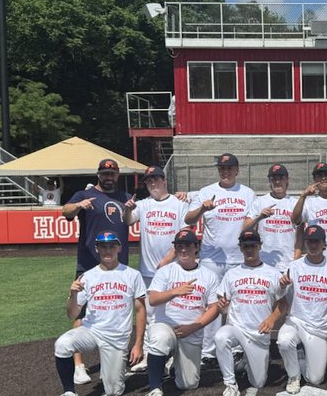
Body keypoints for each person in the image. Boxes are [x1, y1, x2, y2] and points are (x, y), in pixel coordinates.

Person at [53, 232, 147, 396]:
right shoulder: (87, 277)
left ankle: (109, 367)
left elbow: (140, 310)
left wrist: (138, 344)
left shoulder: (132, 275)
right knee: (62, 344)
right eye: (103, 247)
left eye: (112, 246)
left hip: (117, 337)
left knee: (114, 391)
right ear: (97, 249)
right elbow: (72, 313)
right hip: (92, 331)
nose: (107, 250)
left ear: (119, 248)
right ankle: (70, 393)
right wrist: (72, 294)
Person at [61, 158, 131, 383]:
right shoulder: (84, 194)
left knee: (117, 308)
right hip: (89, 262)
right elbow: (66, 211)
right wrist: (79, 206)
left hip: (119, 265)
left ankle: (116, 354)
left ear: (118, 175)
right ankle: (78, 364)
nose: (108, 177)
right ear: (98, 174)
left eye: (112, 174)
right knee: (81, 310)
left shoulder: (124, 197)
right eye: (104, 174)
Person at [183, 153, 256, 360]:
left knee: (237, 305)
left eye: (230, 168)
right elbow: (188, 218)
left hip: (238, 257)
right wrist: (202, 208)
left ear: (237, 170)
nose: (226, 171)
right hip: (211, 258)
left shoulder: (248, 193)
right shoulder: (206, 192)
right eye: (222, 168)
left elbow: (250, 223)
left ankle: (236, 349)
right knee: (212, 305)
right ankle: (208, 352)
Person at [144, 228, 222, 396]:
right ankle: (155, 390)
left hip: (191, 330)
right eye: (179, 246)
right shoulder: (166, 271)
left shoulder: (208, 275)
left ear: (196, 247)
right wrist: (174, 292)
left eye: (187, 245)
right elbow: (153, 299)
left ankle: (174, 364)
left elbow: (214, 308)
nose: (183, 250)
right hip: (166, 325)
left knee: (188, 384)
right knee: (160, 339)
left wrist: (194, 327)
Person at [124, 166, 190, 370]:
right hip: (148, 270)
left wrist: (168, 259)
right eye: (149, 181)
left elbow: (184, 234)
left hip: (172, 268)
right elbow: (128, 221)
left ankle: (172, 352)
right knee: (150, 313)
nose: (153, 184)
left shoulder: (178, 204)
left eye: (156, 179)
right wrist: (127, 209)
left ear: (164, 181)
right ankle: (150, 353)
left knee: (174, 311)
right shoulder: (143, 205)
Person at [213, 229, 287, 396]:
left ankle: (244, 361)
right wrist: (223, 308)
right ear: (240, 248)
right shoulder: (231, 273)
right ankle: (230, 386)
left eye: (253, 246)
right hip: (237, 328)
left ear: (260, 246)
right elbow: (223, 305)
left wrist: (271, 319)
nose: (249, 249)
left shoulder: (273, 273)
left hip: (258, 333)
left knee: (258, 382)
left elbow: (283, 304)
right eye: (245, 246)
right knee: (221, 337)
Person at [277, 224, 327, 393]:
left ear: (324, 244)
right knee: (284, 341)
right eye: (309, 242)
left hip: (319, 328)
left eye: (316, 241)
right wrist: (281, 286)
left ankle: (300, 357)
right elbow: (281, 295)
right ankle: (293, 375)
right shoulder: (294, 266)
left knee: (315, 379)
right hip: (296, 321)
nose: (312, 245)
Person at [291, 162, 327, 266]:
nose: (323, 178)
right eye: (319, 176)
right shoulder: (309, 202)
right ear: (314, 181)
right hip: (316, 262)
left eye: (326, 175)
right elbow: (295, 220)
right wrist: (303, 196)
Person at [243, 163, 297, 271]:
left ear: (287, 180)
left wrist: (295, 261)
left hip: (288, 263)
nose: (277, 182)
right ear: (270, 181)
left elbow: (300, 236)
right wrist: (259, 217)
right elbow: (244, 229)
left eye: (281, 178)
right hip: (264, 263)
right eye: (274, 179)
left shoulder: (295, 203)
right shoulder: (259, 202)